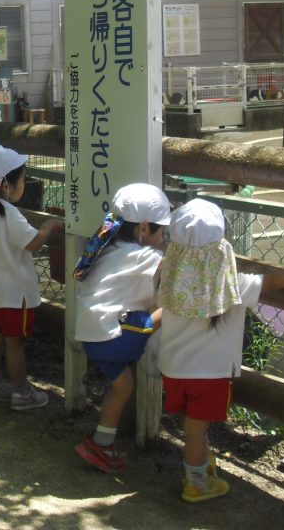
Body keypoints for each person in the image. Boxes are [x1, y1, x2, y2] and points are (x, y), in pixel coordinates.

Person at [157, 198, 284, 504]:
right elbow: (275, 280)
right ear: (220, 248)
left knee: (191, 423)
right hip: (208, 375)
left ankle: (199, 461)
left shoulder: (168, 280)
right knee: (195, 430)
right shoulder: (233, 286)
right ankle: (196, 482)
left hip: (173, 368)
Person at [72, 183, 172, 473]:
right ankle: (102, 444)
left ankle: (102, 443)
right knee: (173, 308)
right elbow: (173, 270)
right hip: (112, 339)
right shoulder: (147, 257)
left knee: (123, 385)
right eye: (160, 231)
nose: (162, 237)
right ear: (143, 228)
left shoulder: (105, 245)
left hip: (92, 335)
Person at [0, 145, 62, 411]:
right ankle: (22, 393)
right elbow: (33, 243)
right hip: (15, 294)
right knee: (15, 345)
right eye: (22, 178)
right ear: (5, 186)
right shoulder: (8, 213)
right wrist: (48, 226)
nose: (24, 183)